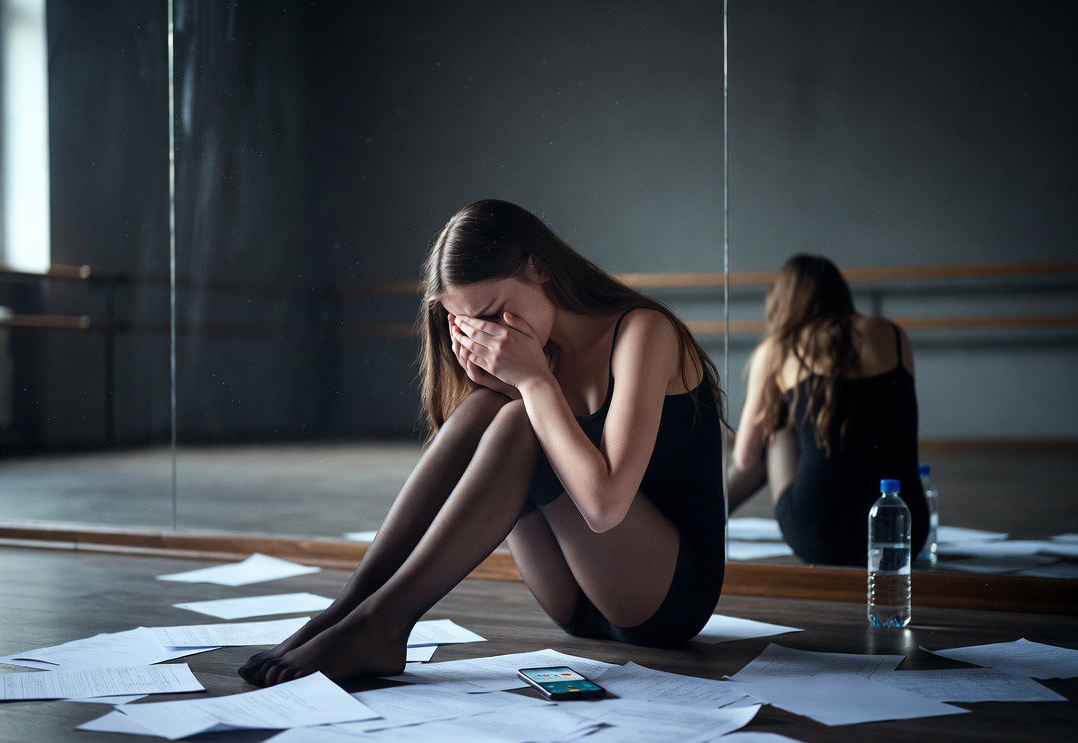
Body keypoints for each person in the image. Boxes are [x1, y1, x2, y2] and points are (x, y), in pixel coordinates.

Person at [238, 198, 728, 687]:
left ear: (538, 267)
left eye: (494, 313)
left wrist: (533, 383)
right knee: (487, 408)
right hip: (576, 601)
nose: (491, 338)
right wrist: (510, 386)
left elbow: (604, 508)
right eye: (471, 327)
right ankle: (347, 610)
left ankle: (381, 624)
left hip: (664, 598)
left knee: (520, 420)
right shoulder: (540, 349)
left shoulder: (643, 332)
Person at [727, 253, 929, 566]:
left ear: (786, 302)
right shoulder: (894, 336)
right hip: (902, 532)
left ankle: (705, 514)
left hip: (818, 536)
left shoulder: (779, 348)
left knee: (776, 423)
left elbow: (745, 458)